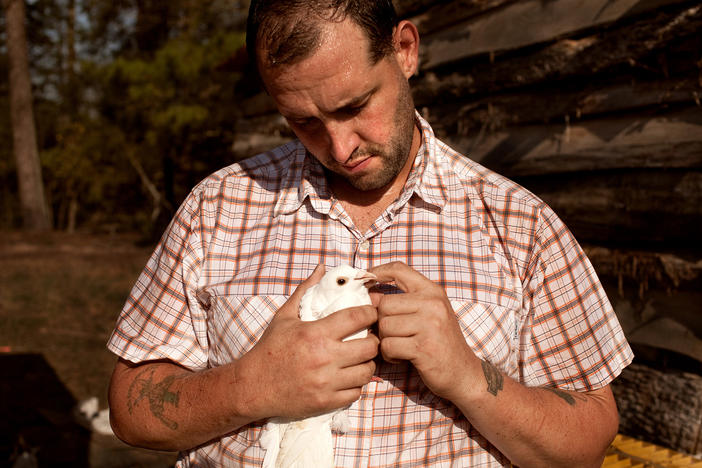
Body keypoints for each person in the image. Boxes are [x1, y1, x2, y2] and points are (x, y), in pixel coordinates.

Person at [106, 1, 634, 466]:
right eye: (303, 121)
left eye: (354, 106)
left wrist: (470, 378)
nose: (339, 148)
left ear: (404, 50)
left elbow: (587, 442)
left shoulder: (521, 225)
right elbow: (130, 409)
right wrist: (250, 386)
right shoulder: (217, 207)